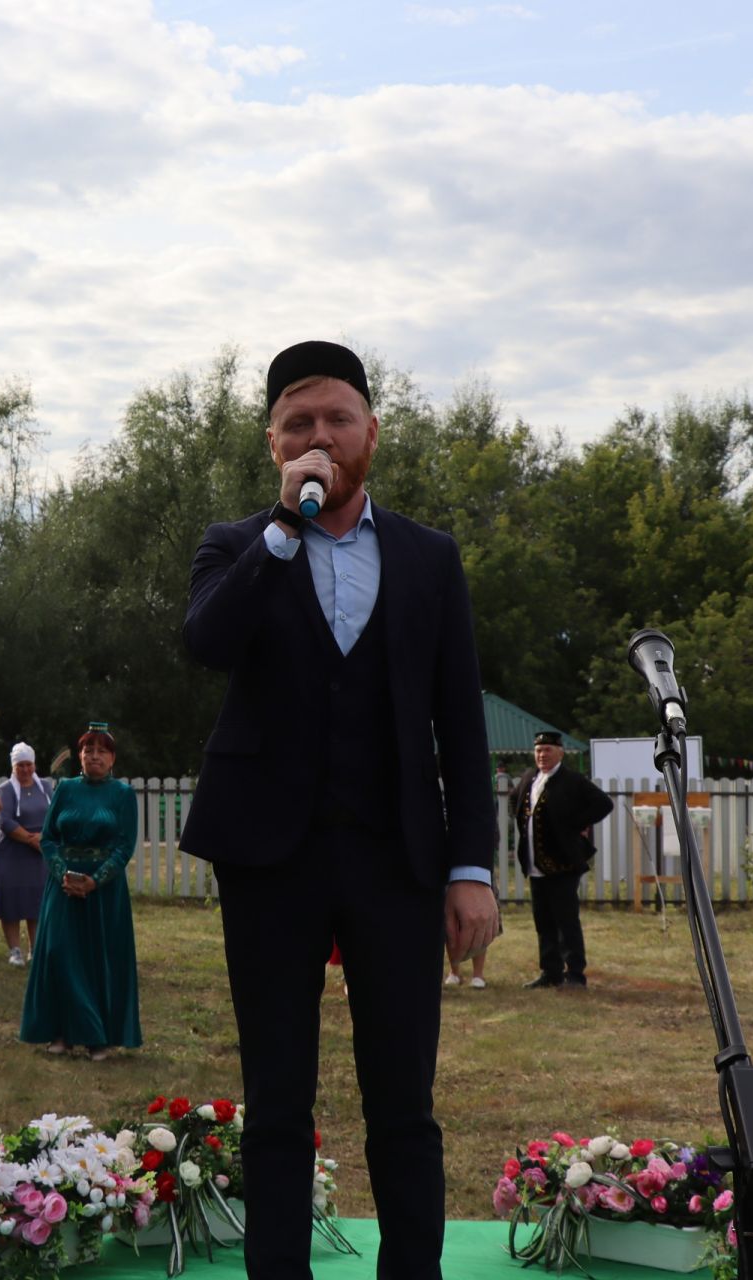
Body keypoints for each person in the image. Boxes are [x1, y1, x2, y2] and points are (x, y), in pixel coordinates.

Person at [181, 341, 500, 1278]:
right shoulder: (238, 545)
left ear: (371, 433)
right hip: (268, 858)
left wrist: (471, 867)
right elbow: (208, 641)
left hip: (395, 857)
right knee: (276, 1097)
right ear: (275, 442)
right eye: (298, 423)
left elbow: (461, 722)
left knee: (403, 1097)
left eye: (337, 419)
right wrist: (282, 530)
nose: (319, 435)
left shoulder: (429, 558)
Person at [18, 725, 140, 1060]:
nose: (94, 756)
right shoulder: (66, 789)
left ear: (112, 758)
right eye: (88, 751)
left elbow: (124, 845)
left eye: (102, 751)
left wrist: (95, 880)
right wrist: (62, 875)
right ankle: (59, 1033)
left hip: (104, 891)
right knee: (58, 953)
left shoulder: (123, 795)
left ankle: (98, 1037)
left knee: (96, 958)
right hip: (63, 887)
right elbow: (47, 838)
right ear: (80, 757)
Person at [511, 731, 614, 990]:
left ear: (560, 752)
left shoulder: (572, 780)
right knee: (543, 920)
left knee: (566, 920)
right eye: (538, 750)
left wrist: (575, 824)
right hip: (536, 864)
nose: (542, 755)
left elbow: (603, 803)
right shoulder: (529, 778)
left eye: (547, 749)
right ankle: (551, 971)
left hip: (563, 864)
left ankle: (575, 974)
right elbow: (516, 801)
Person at [0, 742, 50, 966]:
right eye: (20, 765)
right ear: (13, 767)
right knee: (12, 900)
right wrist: (30, 839)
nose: (25, 770)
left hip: (39, 853)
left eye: (28, 765)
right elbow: (4, 821)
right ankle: (14, 950)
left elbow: (54, 814)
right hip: (12, 852)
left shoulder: (45, 787)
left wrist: (43, 838)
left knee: (36, 900)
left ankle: (35, 949)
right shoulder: (5, 790)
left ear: (34, 765)